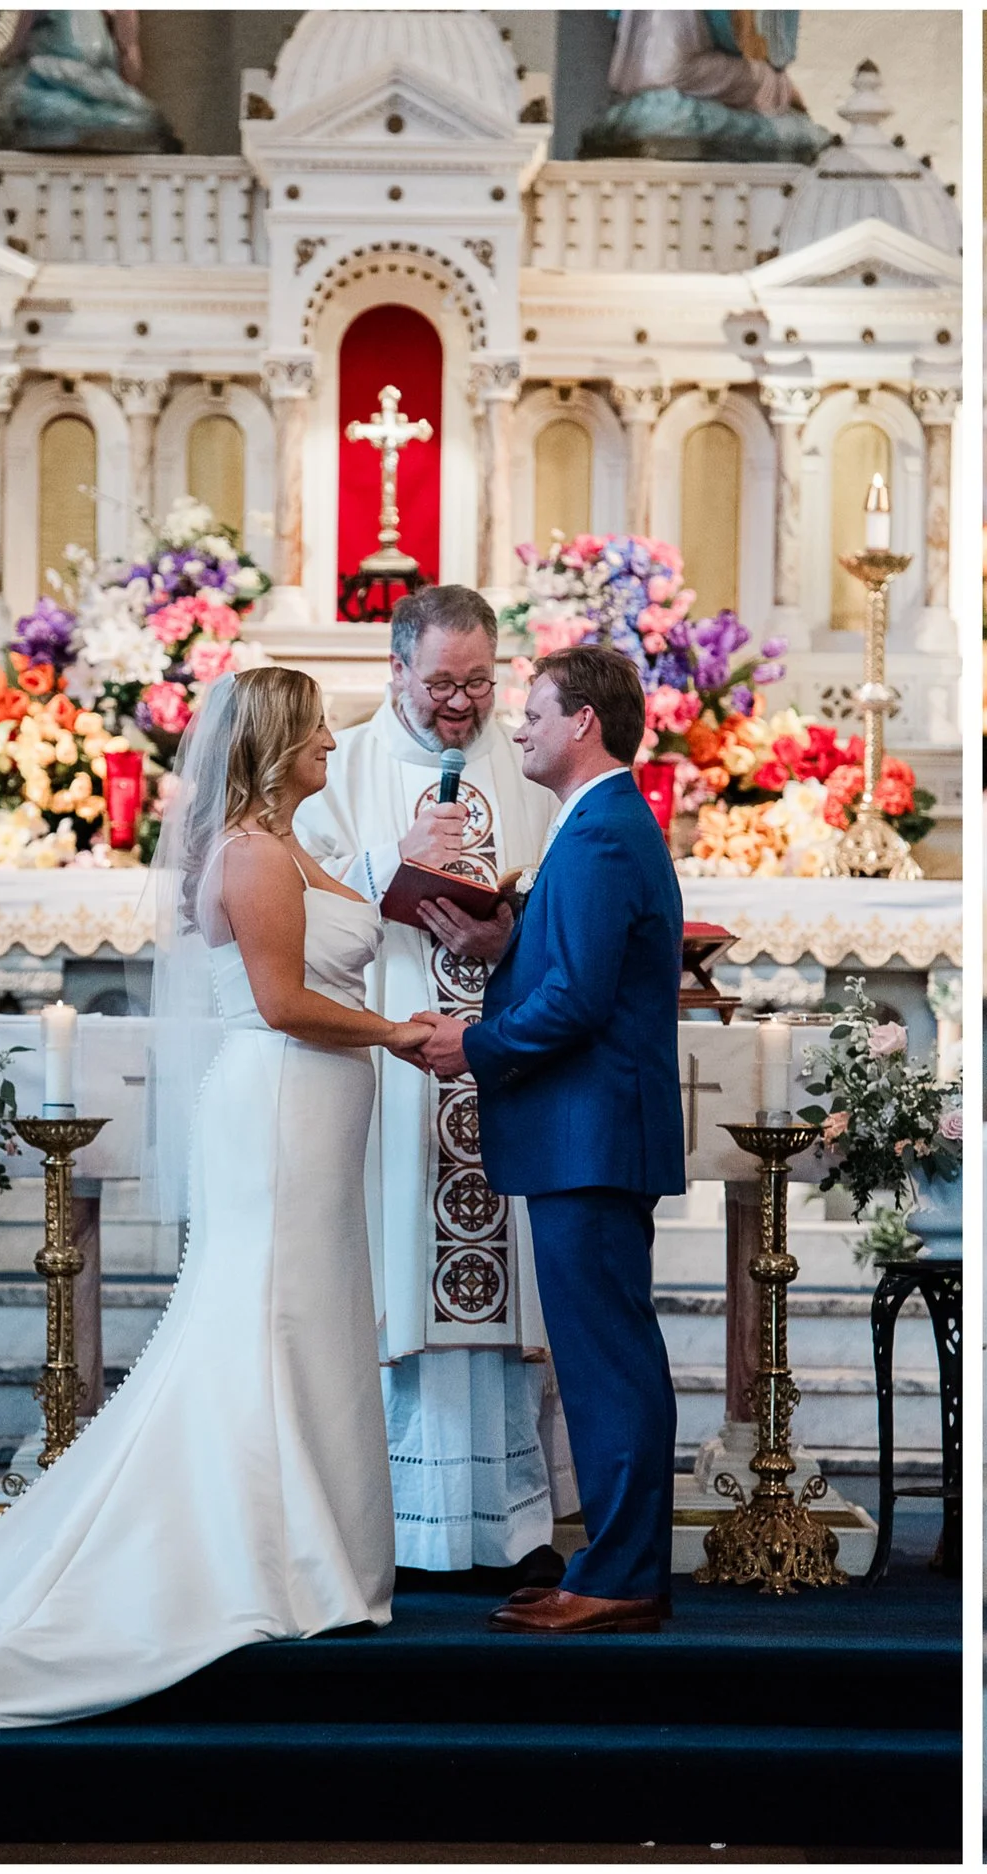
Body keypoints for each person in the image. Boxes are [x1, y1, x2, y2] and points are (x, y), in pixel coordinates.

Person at [0, 667, 431, 1726]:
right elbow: (285, 1000)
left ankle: (311, 1545)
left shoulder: (292, 847)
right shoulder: (250, 851)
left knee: (309, 1311)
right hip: (283, 1103)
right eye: (318, 730)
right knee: (267, 1313)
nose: (333, 744)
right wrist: (397, 1035)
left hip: (318, 1110)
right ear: (277, 741)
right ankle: (273, 1555)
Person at [408, 646, 687, 1636]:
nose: (515, 726)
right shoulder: (596, 823)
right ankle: (614, 1559)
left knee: (607, 1357)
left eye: (531, 712)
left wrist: (469, 1042)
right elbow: (571, 959)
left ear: (583, 723)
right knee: (601, 1351)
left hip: (592, 1129)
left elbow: (576, 997)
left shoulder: (604, 831)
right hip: (585, 1128)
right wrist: (504, 942)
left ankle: (621, 1574)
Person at [295, 586, 568, 1577]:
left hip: (504, 1063)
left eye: (478, 681)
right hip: (389, 1064)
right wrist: (385, 867)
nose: (461, 703)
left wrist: (507, 931)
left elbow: (564, 902)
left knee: (504, 1294)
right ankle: (404, 1522)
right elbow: (290, 894)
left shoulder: (531, 763)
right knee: (398, 1281)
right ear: (397, 670)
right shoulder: (343, 766)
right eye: (443, 681)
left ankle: (511, 1523)